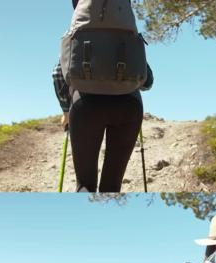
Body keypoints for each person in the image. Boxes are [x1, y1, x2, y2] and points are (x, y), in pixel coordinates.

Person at [52, 0, 154, 192]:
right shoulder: (129, 35)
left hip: (85, 106)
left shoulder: (77, 37)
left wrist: (66, 111)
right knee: (112, 186)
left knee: (85, 185)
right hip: (129, 107)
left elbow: (58, 75)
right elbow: (147, 81)